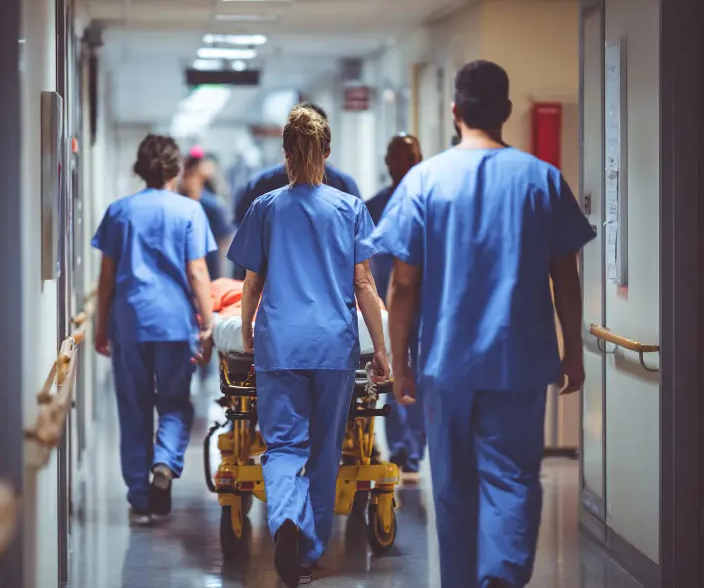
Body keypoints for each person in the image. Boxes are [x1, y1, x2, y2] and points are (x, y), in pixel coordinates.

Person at [370, 60, 595, 588]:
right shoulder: (541, 179)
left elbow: (403, 286)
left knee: (451, 487)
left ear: (455, 112)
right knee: (513, 479)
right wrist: (573, 351)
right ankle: (503, 575)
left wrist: (399, 362)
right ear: (507, 110)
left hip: (446, 364)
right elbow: (566, 277)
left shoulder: (424, 181)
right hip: (519, 362)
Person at [228, 105, 390, 587]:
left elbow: (251, 283)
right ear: (327, 151)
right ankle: (309, 549)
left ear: (286, 153)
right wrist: (381, 350)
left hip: (280, 343)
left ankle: (285, 520)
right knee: (325, 451)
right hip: (333, 347)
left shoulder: (265, 207)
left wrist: (248, 333)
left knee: (283, 445)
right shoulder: (349, 208)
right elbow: (364, 285)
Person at [92, 134, 216, 526]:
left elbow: (106, 277)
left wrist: (100, 325)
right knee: (175, 403)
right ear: (175, 170)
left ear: (140, 169)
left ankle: (140, 496)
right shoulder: (190, 211)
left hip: (129, 322)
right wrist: (209, 324)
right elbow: (197, 271)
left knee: (133, 407)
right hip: (175, 323)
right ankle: (165, 461)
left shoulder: (119, 212)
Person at [232, 103, 362, 280]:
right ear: (327, 147)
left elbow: (247, 254)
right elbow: (361, 265)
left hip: (275, 288)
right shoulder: (345, 191)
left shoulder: (261, 188)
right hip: (329, 288)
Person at [365, 133, 426, 483]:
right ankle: (401, 446)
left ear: (420, 159)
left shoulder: (431, 203)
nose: (404, 164)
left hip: (426, 305)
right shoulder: (373, 208)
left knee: (420, 373)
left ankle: (414, 450)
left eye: (411, 157)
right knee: (389, 371)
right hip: (385, 307)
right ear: (387, 162)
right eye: (398, 157)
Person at [180, 153, 234, 279]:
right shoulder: (178, 204)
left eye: (190, 175)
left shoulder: (212, 206)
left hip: (208, 271)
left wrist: (221, 276)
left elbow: (223, 242)